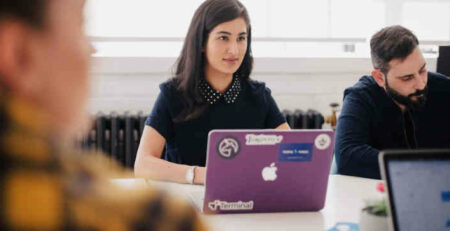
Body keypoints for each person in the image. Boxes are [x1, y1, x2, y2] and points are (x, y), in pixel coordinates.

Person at [0, 0, 205, 230]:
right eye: (81, 23)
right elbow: (143, 164)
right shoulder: (160, 219)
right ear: (20, 56)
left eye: (242, 38)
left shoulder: (254, 95)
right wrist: (195, 174)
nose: (92, 49)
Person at [134, 0, 289, 185]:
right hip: (188, 204)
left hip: (244, 201)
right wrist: (201, 175)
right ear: (201, 43)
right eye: (224, 38)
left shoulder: (259, 96)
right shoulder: (173, 94)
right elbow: (143, 165)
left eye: (241, 38)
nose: (234, 49)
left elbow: (291, 151)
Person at [335, 25, 450, 179]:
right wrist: (419, 167)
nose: (421, 84)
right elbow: (347, 155)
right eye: (407, 78)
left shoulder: (443, 87)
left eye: (422, 70)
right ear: (380, 78)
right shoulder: (361, 96)